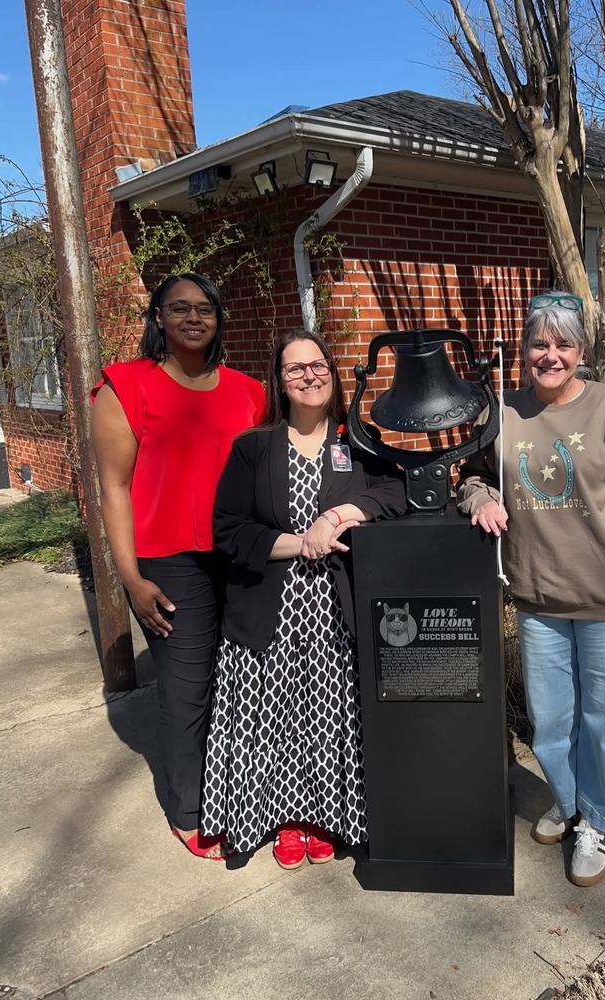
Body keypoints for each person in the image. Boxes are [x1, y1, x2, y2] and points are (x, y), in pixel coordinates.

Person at [457, 293, 605, 887]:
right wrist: (480, 499)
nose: (549, 355)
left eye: (563, 344)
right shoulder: (503, 410)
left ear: (582, 352)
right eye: (539, 343)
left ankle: (596, 822)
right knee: (551, 721)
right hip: (538, 598)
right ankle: (569, 800)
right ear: (523, 349)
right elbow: (472, 474)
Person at [201, 330, 407, 869]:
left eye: (318, 365)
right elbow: (228, 529)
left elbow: (395, 491)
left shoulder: (356, 439)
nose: (309, 376)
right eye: (295, 369)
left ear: (332, 373)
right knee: (274, 720)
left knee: (330, 719)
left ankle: (327, 818)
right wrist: (301, 543)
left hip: (335, 609)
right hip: (270, 608)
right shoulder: (253, 447)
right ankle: (286, 821)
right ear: (280, 381)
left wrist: (336, 516)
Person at [91, 273, 266, 860]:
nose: (194, 318)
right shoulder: (126, 386)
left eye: (205, 309)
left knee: (241, 684)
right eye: (180, 308)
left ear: (218, 318)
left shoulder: (248, 392)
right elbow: (114, 489)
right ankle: (189, 810)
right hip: (168, 562)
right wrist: (132, 578)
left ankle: (242, 795)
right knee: (188, 689)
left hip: (238, 556)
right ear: (159, 318)